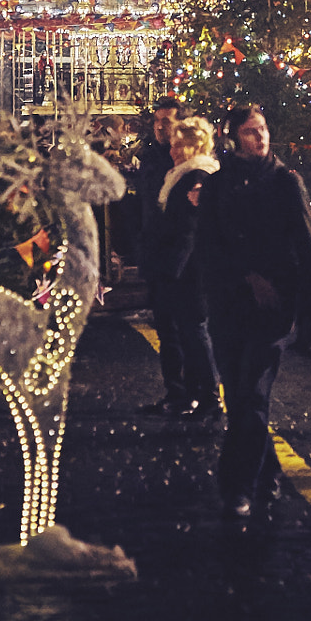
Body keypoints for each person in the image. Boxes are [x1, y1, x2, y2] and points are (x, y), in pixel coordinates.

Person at [196, 105, 311, 520]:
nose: (260, 137)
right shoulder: (218, 186)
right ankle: (267, 470)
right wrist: (244, 275)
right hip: (228, 307)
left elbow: (307, 251)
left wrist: (310, 318)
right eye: (251, 132)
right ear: (234, 138)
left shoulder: (285, 183)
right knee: (238, 399)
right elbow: (209, 248)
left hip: (271, 310)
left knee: (252, 396)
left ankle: (236, 486)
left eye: (264, 129)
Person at [138, 115, 220, 417]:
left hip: (183, 272)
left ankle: (202, 395)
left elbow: (187, 228)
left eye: (177, 145)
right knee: (181, 333)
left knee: (188, 332)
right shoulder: (184, 174)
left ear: (192, 146)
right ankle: (187, 393)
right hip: (176, 268)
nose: (172, 150)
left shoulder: (196, 176)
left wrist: (169, 270)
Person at [130, 97, 186, 412]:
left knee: (186, 330)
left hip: (179, 261)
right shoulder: (150, 159)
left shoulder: (187, 163)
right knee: (166, 328)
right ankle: (175, 392)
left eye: (167, 121)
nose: (161, 127)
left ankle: (195, 393)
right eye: (157, 121)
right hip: (156, 256)